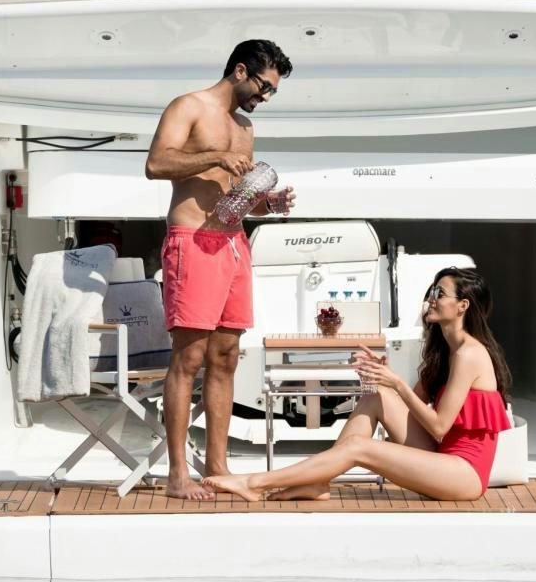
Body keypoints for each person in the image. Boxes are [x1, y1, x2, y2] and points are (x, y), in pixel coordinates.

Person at [207, 267, 512, 503]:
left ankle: (254, 483)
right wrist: (386, 379)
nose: (431, 298)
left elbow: (439, 426)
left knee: (358, 447)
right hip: (443, 459)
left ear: (462, 306)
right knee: (376, 396)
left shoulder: (470, 354)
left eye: (440, 293)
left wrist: (396, 384)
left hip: (464, 475)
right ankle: (316, 482)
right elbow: (408, 408)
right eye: (432, 290)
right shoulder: (446, 352)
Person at [145, 39, 296, 499]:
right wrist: (213, 156)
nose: (265, 97)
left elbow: (237, 201)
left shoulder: (245, 127)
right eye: (263, 86)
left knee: (227, 357)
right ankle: (177, 475)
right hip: (191, 241)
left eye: (272, 91)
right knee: (188, 358)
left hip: (233, 243)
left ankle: (217, 465)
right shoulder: (188, 106)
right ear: (239, 70)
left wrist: (268, 204)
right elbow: (155, 164)